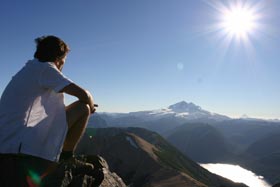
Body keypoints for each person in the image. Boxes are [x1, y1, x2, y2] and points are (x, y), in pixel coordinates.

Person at [0, 35, 97, 186]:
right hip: (19, 146)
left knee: (79, 108)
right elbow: (85, 95)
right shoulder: (45, 69)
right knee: (82, 107)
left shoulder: (30, 69)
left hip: (10, 139)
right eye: (64, 59)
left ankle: (63, 157)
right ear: (59, 57)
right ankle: (66, 158)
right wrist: (90, 106)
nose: (64, 64)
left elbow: (52, 114)